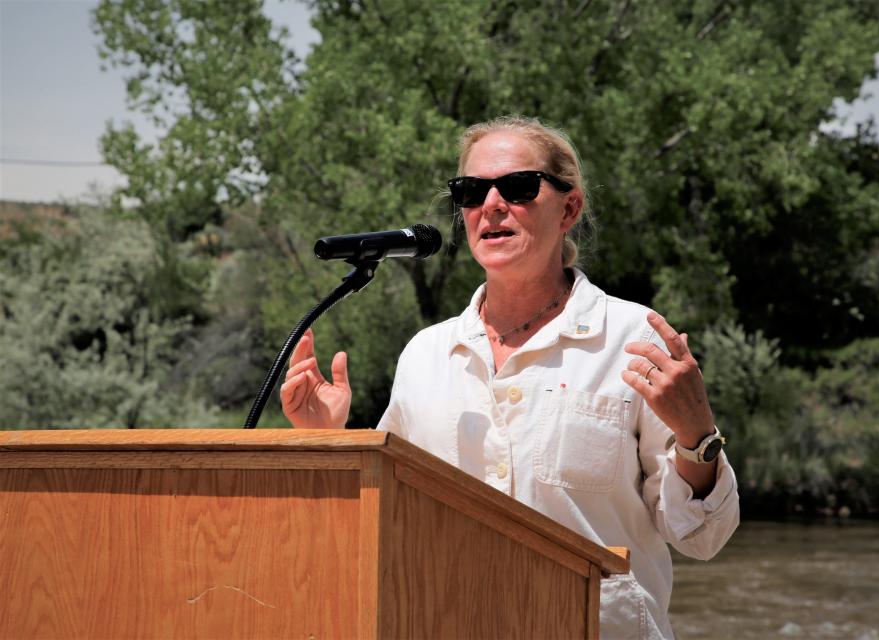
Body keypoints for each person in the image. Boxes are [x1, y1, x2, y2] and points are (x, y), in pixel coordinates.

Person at [281, 115, 739, 639]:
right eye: (472, 191)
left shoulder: (634, 339)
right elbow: (388, 522)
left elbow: (704, 536)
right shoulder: (426, 355)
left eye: (518, 187)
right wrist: (326, 440)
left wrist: (696, 434)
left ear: (569, 208)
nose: (492, 204)